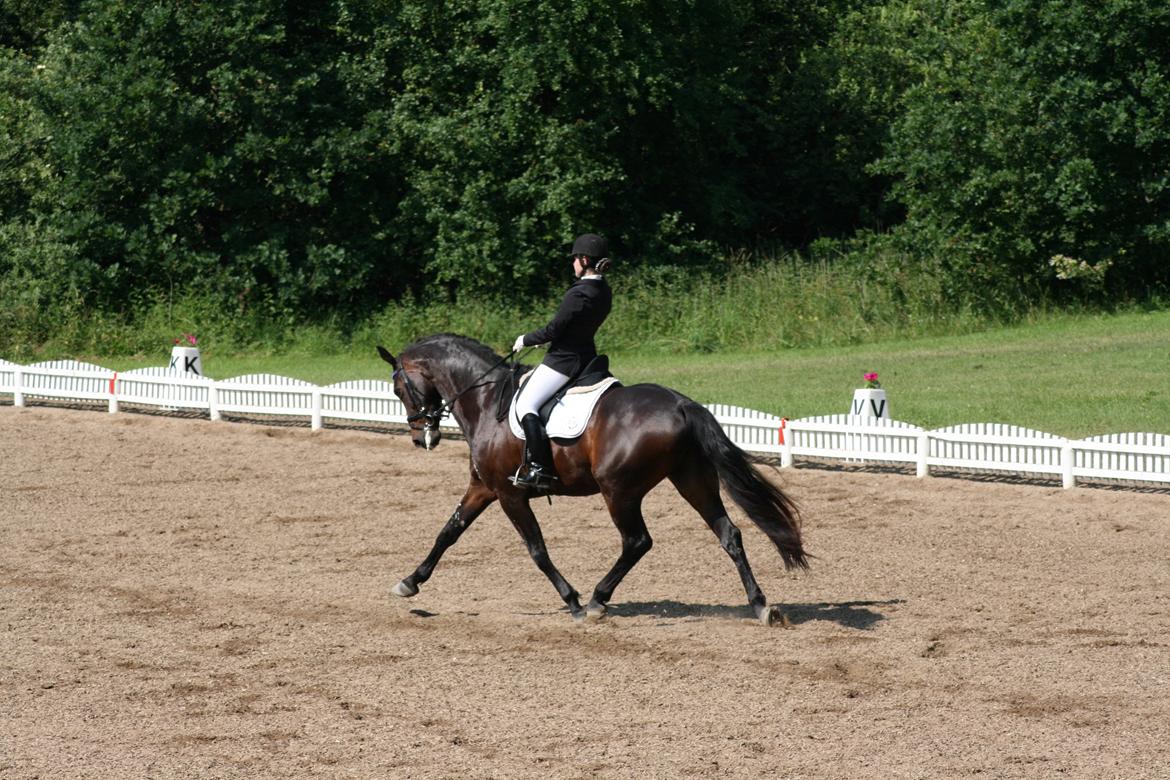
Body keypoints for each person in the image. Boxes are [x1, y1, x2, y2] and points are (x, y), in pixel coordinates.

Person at [510, 233, 613, 490]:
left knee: (525, 405)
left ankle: (540, 468)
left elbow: (554, 329)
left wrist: (526, 339)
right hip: (587, 357)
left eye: (575, 259)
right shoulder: (604, 290)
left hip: (563, 361)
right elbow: (577, 325)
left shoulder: (578, 293)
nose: (572, 263)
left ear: (585, 260)